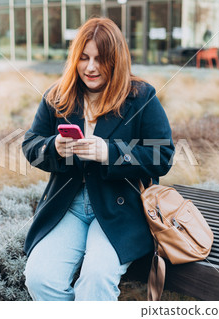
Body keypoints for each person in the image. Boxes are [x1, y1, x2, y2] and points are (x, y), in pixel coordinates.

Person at [22, 17, 175, 301]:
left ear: (116, 60)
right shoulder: (58, 96)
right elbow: (31, 145)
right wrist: (54, 146)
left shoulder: (141, 97)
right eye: (83, 58)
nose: (90, 68)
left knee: (95, 281)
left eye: (100, 59)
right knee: (40, 279)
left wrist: (109, 152)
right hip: (67, 206)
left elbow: (162, 155)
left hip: (121, 208)